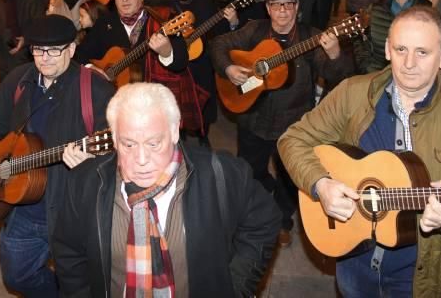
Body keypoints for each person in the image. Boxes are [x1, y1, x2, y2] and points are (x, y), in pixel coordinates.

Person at [277, 6, 441, 297]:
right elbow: (292, 139)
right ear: (387, 49)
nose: (409, 63)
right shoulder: (353, 94)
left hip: (422, 276)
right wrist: (321, 184)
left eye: (423, 52)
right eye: (400, 49)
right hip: (353, 258)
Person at [52, 83, 281, 297]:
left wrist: (235, 286)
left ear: (174, 132)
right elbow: (69, 253)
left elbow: (264, 222)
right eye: (128, 144)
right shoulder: (85, 182)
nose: (141, 159)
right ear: (113, 138)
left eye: (154, 144)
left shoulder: (222, 173)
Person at [0, 15, 114, 297]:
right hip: (25, 208)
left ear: (72, 49)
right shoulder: (21, 80)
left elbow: (119, 152)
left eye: (54, 50)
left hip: (72, 211)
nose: (45, 58)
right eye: (38, 50)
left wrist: (91, 163)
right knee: (17, 276)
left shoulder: (96, 89)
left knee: (80, 286)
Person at [210, 0, 352, 246]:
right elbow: (219, 44)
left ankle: (281, 221)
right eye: (276, 6)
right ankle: (256, 212)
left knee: (289, 178)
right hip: (253, 116)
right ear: (268, 9)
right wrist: (228, 68)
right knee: (250, 171)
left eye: (289, 5)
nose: (283, 11)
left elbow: (336, 76)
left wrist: (335, 55)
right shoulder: (255, 30)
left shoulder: (311, 37)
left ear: (297, 7)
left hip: (293, 123)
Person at [169, 0, 237, 145]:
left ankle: (202, 133)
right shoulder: (165, 8)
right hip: (175, 64)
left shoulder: (205, 4)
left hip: (202, 62)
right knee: (176, 101)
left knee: (204, 99)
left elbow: (221, 31)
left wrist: (232, 22)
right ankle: (179, 134)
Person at [355, 0, 432, 74]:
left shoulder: (426, 13)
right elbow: (360, 38)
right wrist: (366, 66)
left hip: (410, 74)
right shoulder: (376, 9)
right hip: (375, 72)